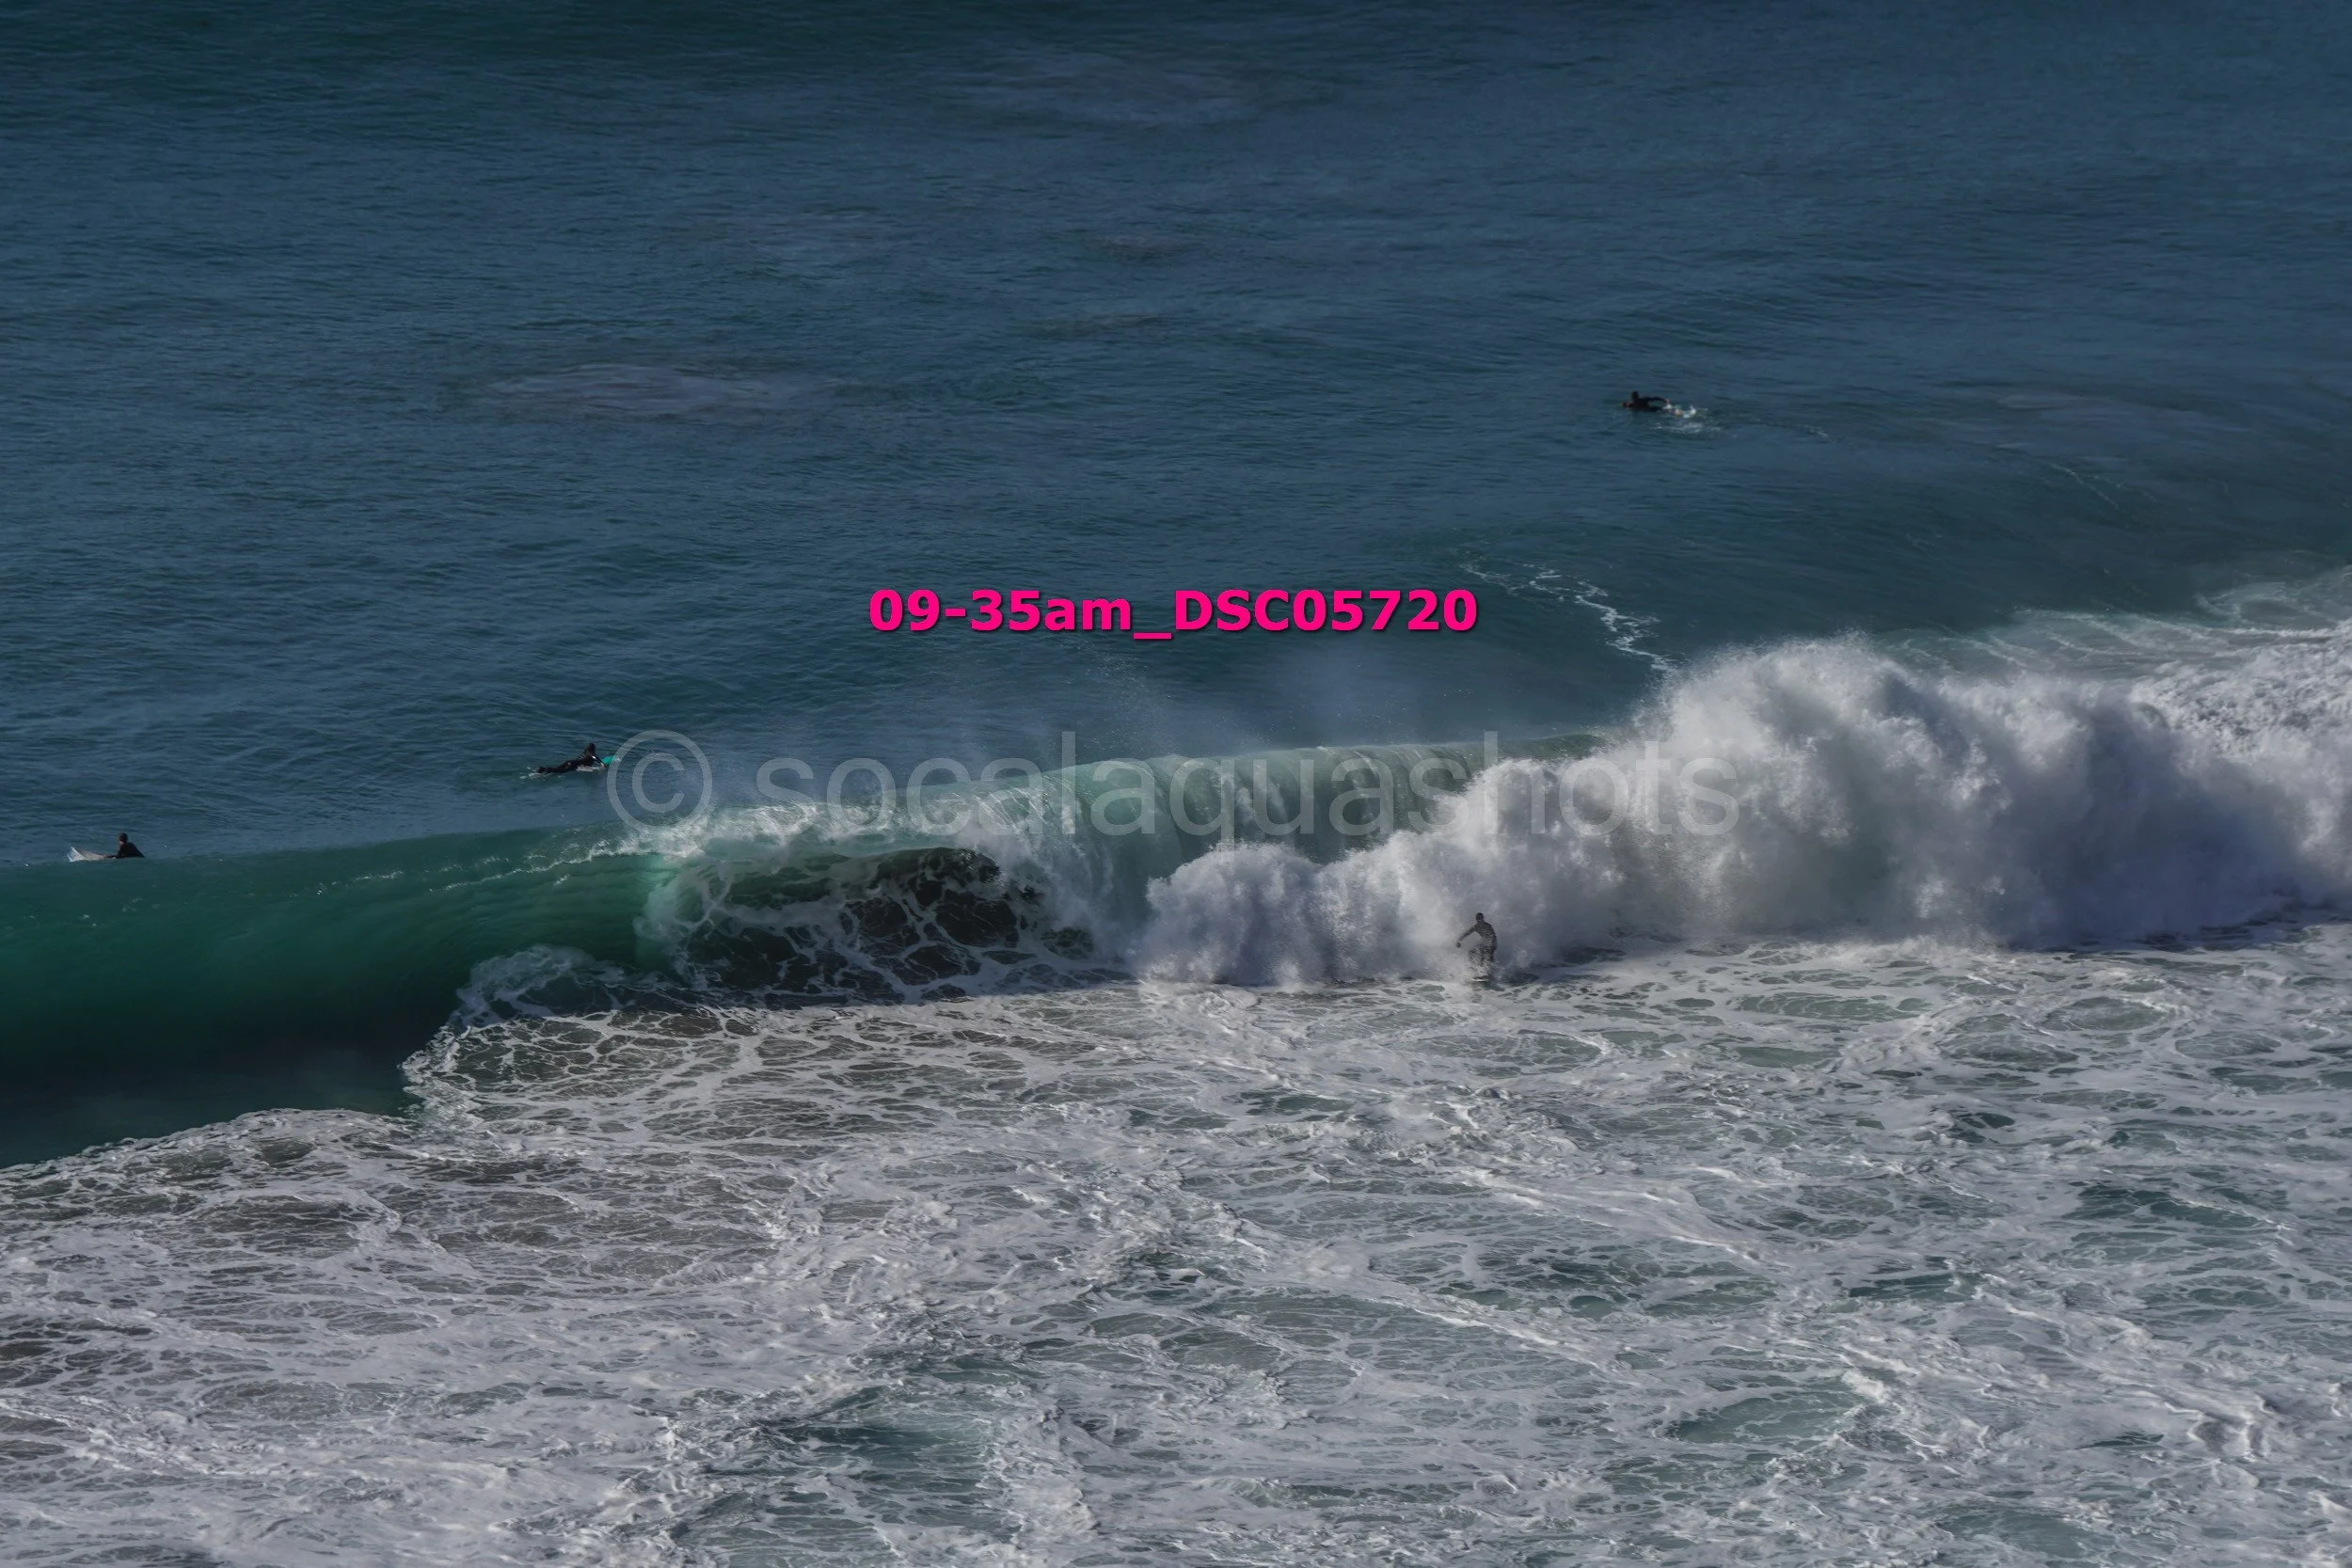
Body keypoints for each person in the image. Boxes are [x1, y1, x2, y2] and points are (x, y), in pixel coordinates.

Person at [535, 743, 603, 776]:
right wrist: (601, 763)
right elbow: (594, 757)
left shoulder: (585, 752)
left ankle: (542, 769)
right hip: (574, 764)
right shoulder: (591, 753)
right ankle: (548, 769)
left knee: (557, 769)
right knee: (559, 771)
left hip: (570, 762)